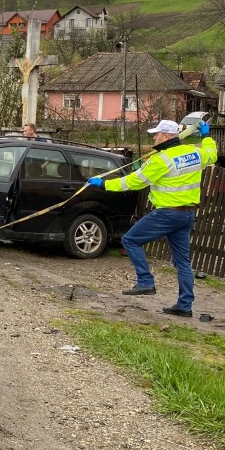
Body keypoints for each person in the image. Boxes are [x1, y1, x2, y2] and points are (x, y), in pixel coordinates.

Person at [88, 119, 217, 317]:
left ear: (166, 136)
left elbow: (134, 182)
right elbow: (212, 154)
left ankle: (145, 281)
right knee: (182, 262)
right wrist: (206, 136)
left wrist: (104, 184)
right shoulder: (195, 153)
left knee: (130, 240)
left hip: (167, 213)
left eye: (156, 134)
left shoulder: (161, 160)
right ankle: (184, 306)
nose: (154, 137)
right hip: (187, 215)